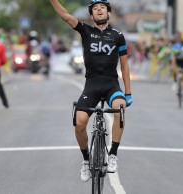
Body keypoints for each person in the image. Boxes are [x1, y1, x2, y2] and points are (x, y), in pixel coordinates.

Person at [50, 0, 132, 182]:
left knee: (120, 109)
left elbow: (125, 67)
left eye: (102, 7)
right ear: (92, 16)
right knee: (79, 123)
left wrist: (128, 93)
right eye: (95, 8)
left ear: (108, 13)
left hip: (112, 85)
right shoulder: (86, 31)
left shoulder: (118, 36)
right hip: (92, 85)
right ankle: (86, 161)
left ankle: (113, 155)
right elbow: (65, 16)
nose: (99, 9)